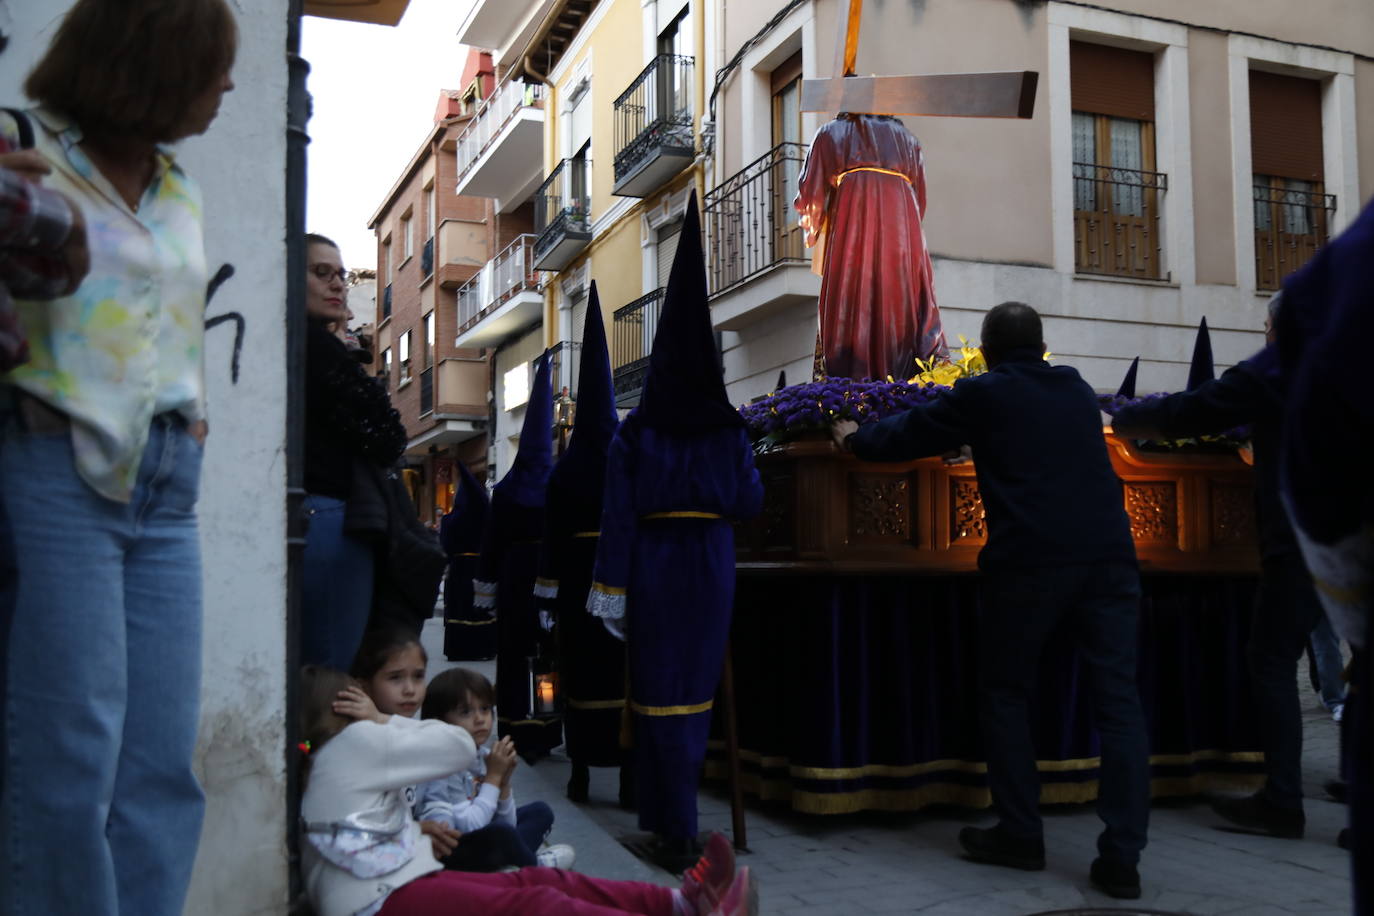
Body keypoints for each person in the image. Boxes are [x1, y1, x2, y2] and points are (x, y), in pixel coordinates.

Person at [0, 3, 235, 914]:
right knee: (68, 758)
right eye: (212, 64)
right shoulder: (26, 150)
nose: (223, 85)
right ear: (154, 60)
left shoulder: (179, 184)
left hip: (169, 488)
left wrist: (196, 409)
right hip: (58, 472)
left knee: (161, 766)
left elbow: (163, 312)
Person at [832, 301, 1148, 899]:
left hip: (1030, 563)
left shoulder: (987, 393)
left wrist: (854, 440)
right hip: (1110, 560)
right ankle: (1124, 857)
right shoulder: (1078, 391)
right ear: (1043, 344)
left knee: (1006, 693)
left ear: (990, 352)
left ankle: (1020, 834)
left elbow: (907, 434)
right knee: (1120, 706)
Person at [589, 195, 764, 872]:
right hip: (712, 561)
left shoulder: (638, 432)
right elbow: (749, 501)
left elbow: (618, 512)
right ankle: (673, 823)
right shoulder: (730, 431)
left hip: (659, 563)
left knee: (660, 692)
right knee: (694, 690)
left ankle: (676, 827)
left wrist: (610, 585)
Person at [1112, 294, 1325, 841]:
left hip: (1302, 540)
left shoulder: (1281, 365)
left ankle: (1282, 801)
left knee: (1272, 660)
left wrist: (1125, 418)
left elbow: (1197, 410)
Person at [299, 665, 758, 916]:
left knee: (534, 880)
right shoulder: (355, 743)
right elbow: (455, 744)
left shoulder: (339, 755)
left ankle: (678, 904)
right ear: (344, 708)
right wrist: (381, 721)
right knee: (533, 903)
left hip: (390, 883)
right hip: (377, 902)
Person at [535, 281, 633, 806]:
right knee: (622, 678)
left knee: (578, 675)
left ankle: (579, 775)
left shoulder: (564, 469)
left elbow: (550, 537)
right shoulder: (627, 457)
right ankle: (629, 779)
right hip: (618, 581)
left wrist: (546, 599)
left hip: (575, 586)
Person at [302, 233, 407, 669]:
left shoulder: (304, 345)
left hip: (314, 518)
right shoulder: (319, 350)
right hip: (329, 520)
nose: (338, 286)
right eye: (321, 273)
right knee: (331, 674)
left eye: (341, 275)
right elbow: (387, 437)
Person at [793, 112, 947, 381]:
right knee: (903, 304)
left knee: (852, 300)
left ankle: (853, 383)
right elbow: (919, 201)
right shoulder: (909, 140)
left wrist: (813, 229)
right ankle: (901, 380)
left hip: (853, 225)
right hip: (902, 230)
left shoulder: (830, 133)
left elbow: (810, 195)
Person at [474, 351, 561, 759]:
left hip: (512, 578)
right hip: (548, 578)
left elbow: (491, 541)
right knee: (545, 655)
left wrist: (486, 587)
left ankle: (512, 726)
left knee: (512, 654)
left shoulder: (506, 490)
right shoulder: (559, 486)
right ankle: (545, 727)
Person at [415, 667, 575, 871]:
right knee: (501, 835)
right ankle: (534, 867)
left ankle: (511, 864)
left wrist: (504, 785)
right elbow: (469, 827)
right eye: (466, 712)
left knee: (539, 812)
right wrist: (493, 777)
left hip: (483, 838)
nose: (480, 719)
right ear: (439, 721)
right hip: (450, 852)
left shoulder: (480, 754)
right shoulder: (444, 766)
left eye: (485, 709)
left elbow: (508, 822)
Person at [440, 462, 494, 660]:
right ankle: (483, 648)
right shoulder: (487, 514)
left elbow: (446, 546)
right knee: (479, 607)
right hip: (481, 566)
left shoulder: (453, 520)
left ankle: (460, 649)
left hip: (460, 567)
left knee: (461, 606)